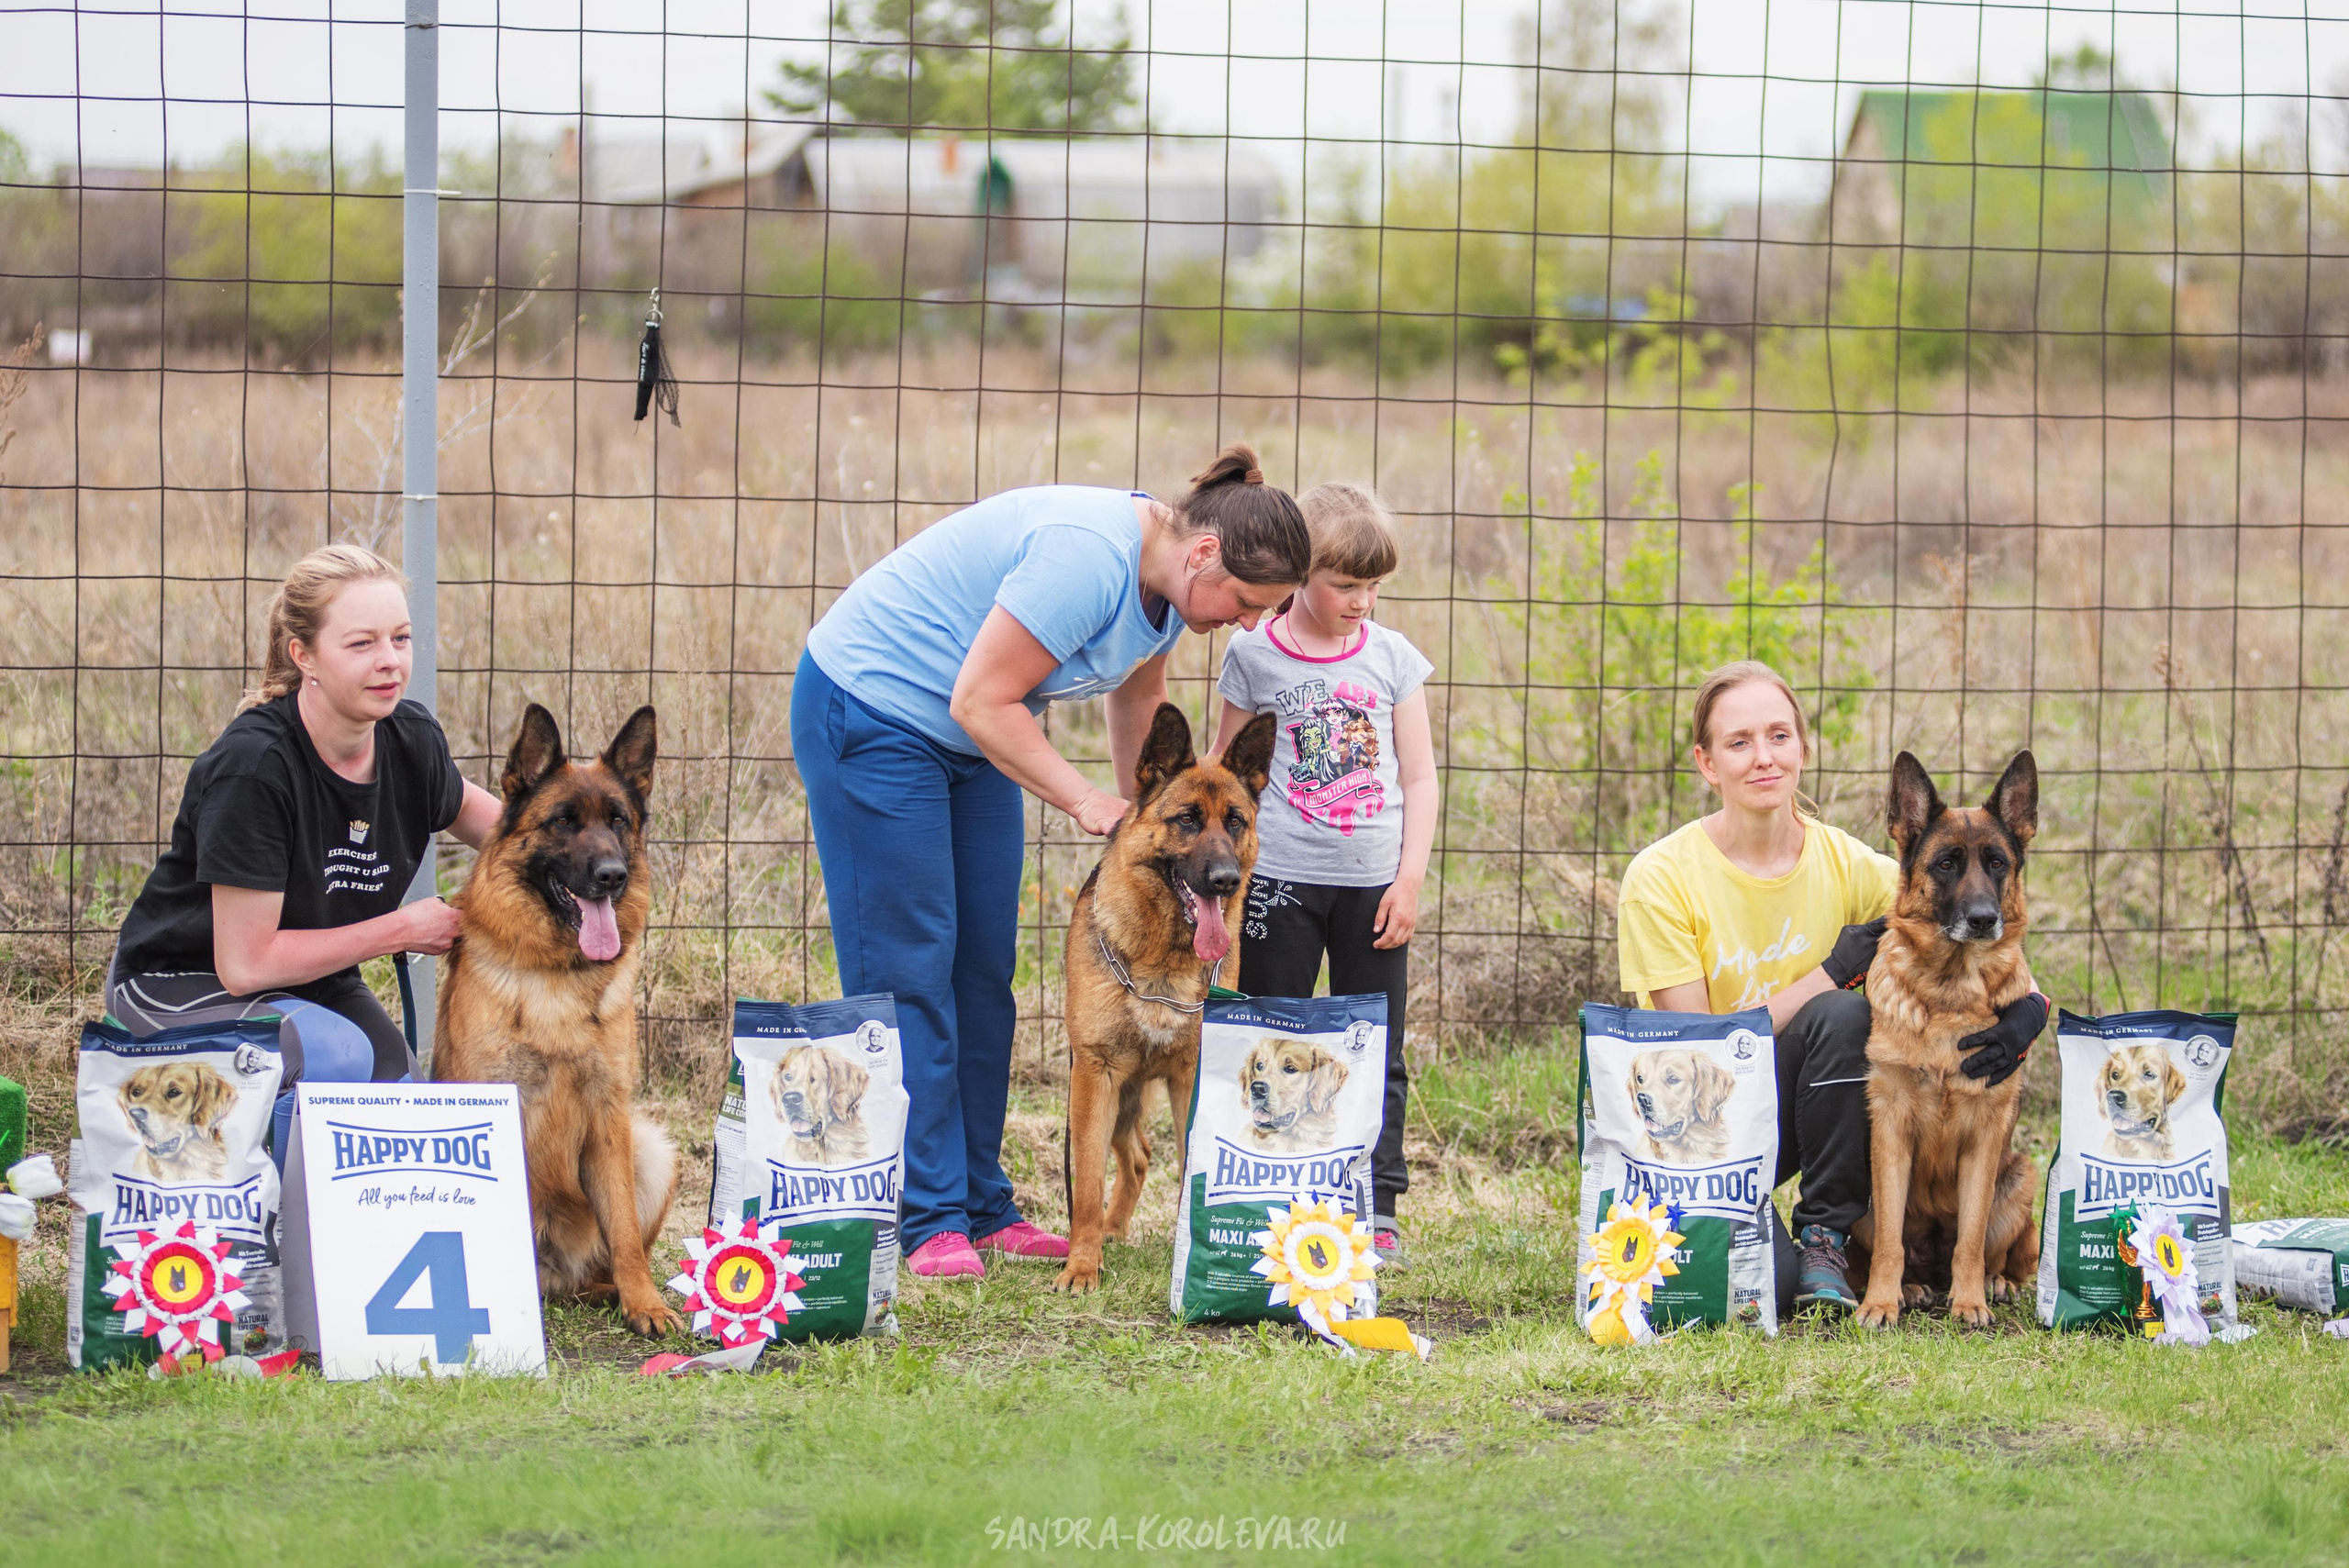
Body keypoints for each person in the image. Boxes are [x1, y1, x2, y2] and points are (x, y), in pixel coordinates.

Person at [793, 443, 1311, 1280]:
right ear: (1206, 553)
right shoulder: (1088, 555)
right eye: (1249, 604)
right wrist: (1082, 800)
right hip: (875, 712)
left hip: (970, 737)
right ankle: (926, 1217)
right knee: (912, 969)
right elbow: (979, 697)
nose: (1250, 623)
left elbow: (1139, 703)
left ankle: (980, 1201)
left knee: (983, 968)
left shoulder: (1174, 589)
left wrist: (1144, 825)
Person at [1613, 661, 2046, 1311]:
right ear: (1706, 763)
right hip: (1709, 1125)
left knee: (1783, 1285)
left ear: (1803, 749)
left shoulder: (1853, 865)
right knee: (1842, 1012)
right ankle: (1793, 1230)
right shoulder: (1661, 877)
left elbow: (1973, 922)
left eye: (1779, 736)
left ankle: (1824, 1233)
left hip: (1810, 1119)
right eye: (1739, 742)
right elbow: (1696, 1051)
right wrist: (1822, 974)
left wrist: (2031, 1009)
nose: (1764, 756)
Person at [106, 544, 503, 1163]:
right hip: (180, 981)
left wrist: (589, 854)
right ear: (304, 655)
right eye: (361, 643)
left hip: (308, 983)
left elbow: (513, 835)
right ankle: (281, 1241)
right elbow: (245, 965)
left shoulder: (411, 741)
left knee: (396, 1100)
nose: (390, 662)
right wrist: (401, 927)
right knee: (337, 1057)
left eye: (400, 638)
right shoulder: (256, 768)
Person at [1210, 483, 1437, 1266]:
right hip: (1278, 886)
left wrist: (1408, 880)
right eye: (1346, 584)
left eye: (1374, 586)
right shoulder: (1252, 653)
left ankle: (1376, 1204)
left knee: (1377, 1044)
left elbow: (1421, 777)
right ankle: (1269, 1190)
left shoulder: (1391, 657)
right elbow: (1226, 776)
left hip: (1373, 886)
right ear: (1301, 573)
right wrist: (1226, 880)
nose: (1362, 601)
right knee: (1270, 1035)